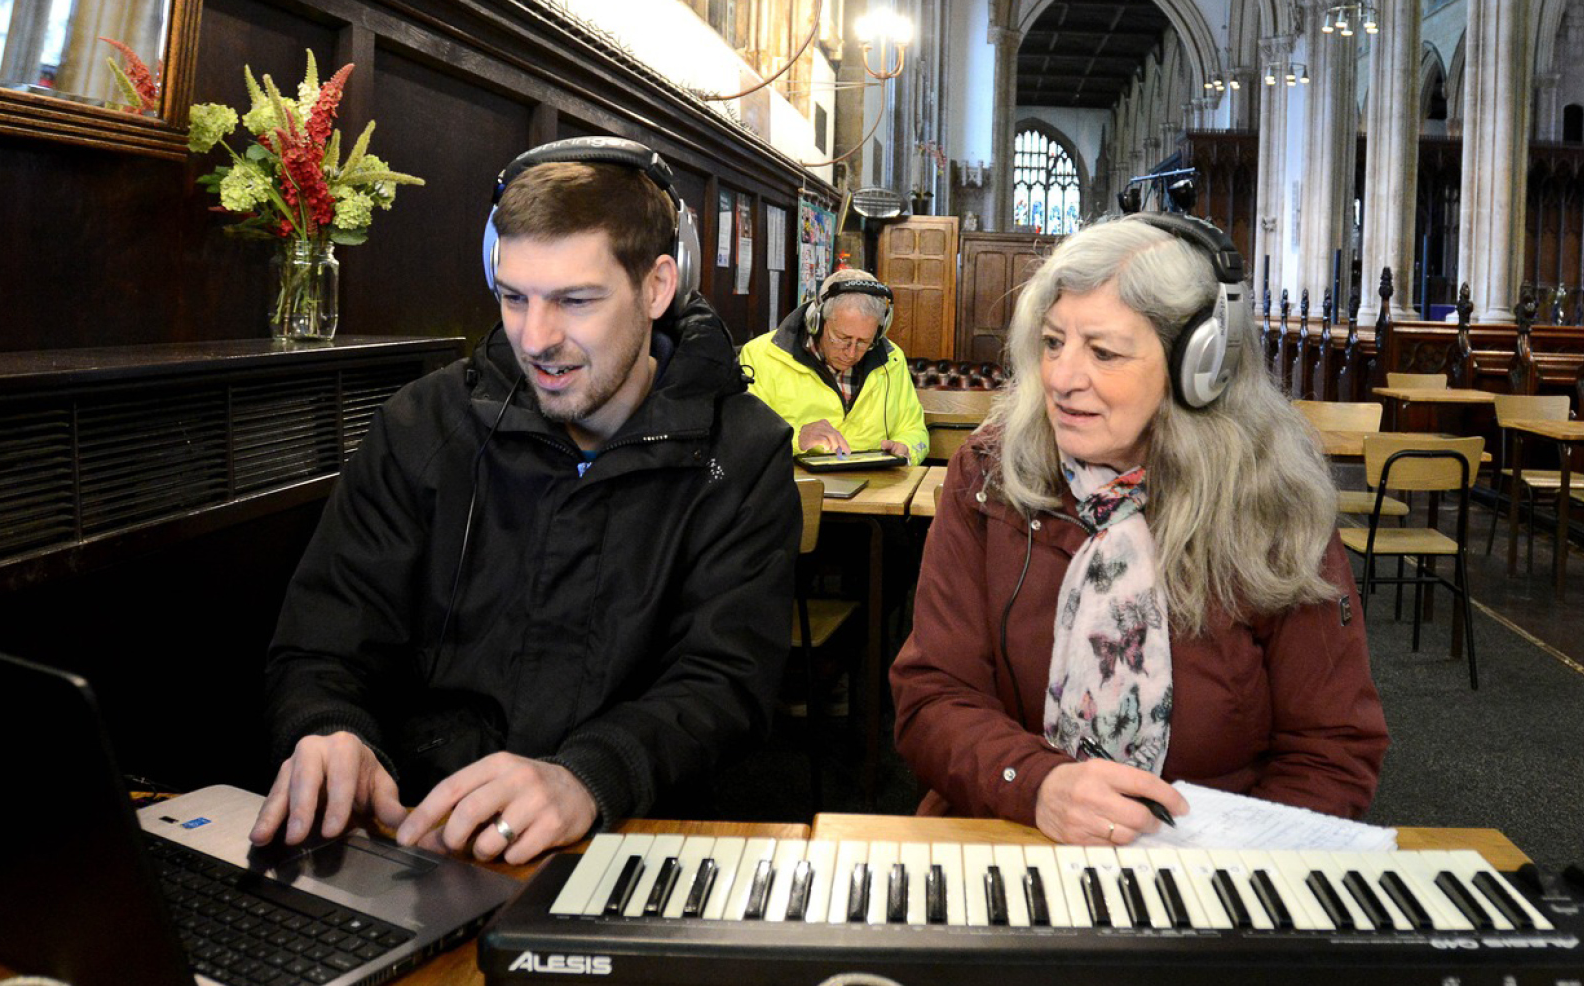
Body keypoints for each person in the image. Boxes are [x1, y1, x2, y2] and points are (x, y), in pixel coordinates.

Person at [251, 137, 798, 864]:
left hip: (621, 843)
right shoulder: (422, 424)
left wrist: (589, 775)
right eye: (514, 297)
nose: (535, 338)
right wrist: (327, 727)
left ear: (658, 287)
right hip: (415, 837)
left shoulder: (743, 452)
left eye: (575, 301)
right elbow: (327, 634)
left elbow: (722, 683)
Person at [888, 214, 1389, 846]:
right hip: (1005, 831)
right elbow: (933, 696)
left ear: (1198, 368)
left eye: (1103, 351)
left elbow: (1330, 749)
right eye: (1051, 342)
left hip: (1208, 874)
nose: (1062, 378)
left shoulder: (1271, 500)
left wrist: (1229, 870)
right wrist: (1036, 785)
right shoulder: (989, 476)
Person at [740, 268, 930, 463]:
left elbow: (915, 430)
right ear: (817, 321)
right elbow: (743, 436)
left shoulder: (892, 359)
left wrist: (908, 448)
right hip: (796, 488)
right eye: (842, 338)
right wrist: (797, 438)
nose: (851, 353)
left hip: (877, 486)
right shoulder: (761, 356)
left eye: (864, 342)